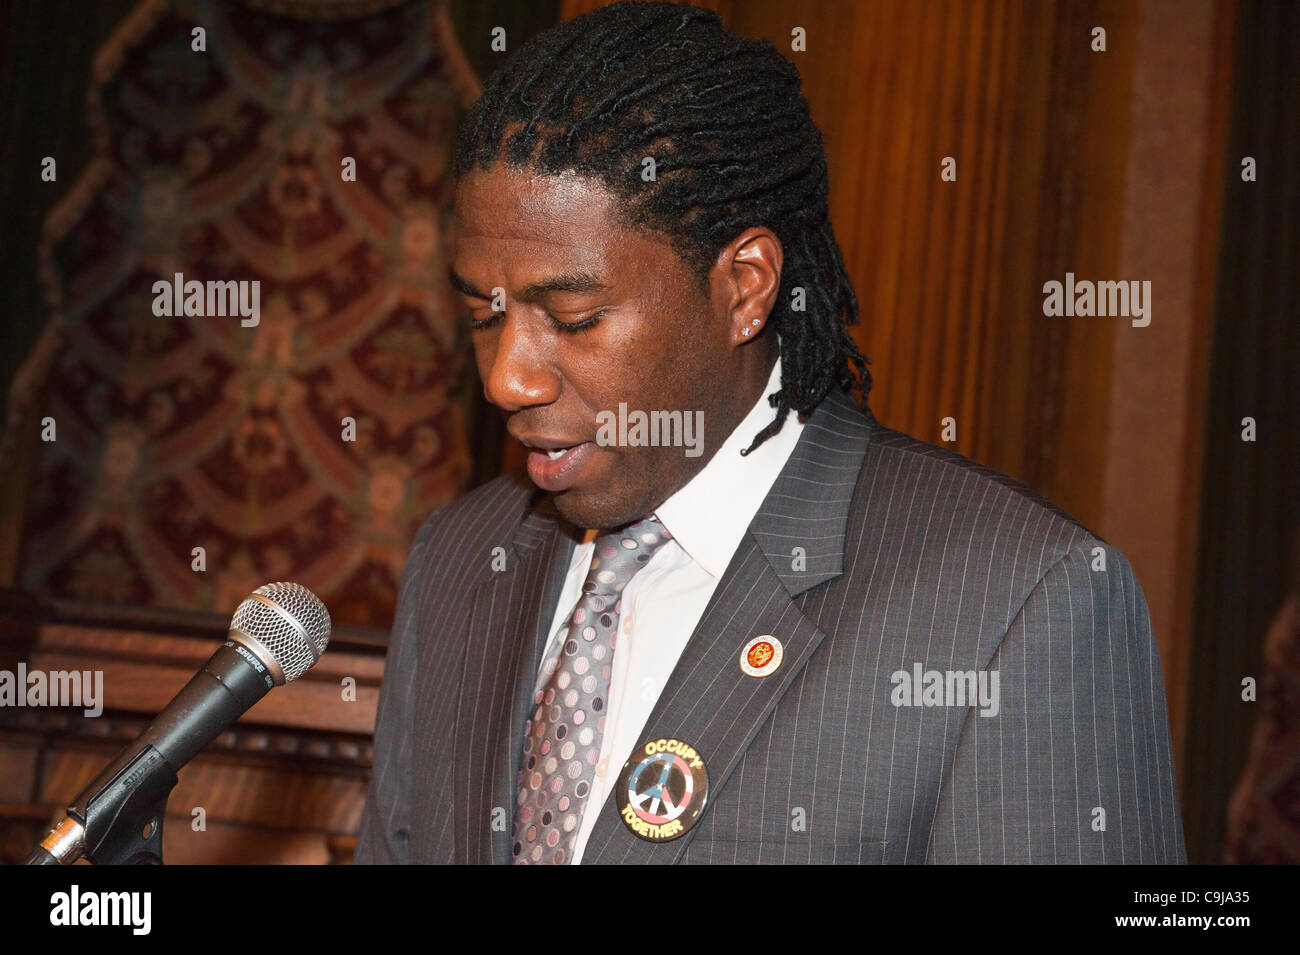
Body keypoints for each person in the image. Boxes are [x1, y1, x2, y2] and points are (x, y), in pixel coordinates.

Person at [355, 0, 1185, 865]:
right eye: (483, 315)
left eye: (574, 317)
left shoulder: (1014, 604)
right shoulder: (461, 558)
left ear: (745, 286)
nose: (506, 378)